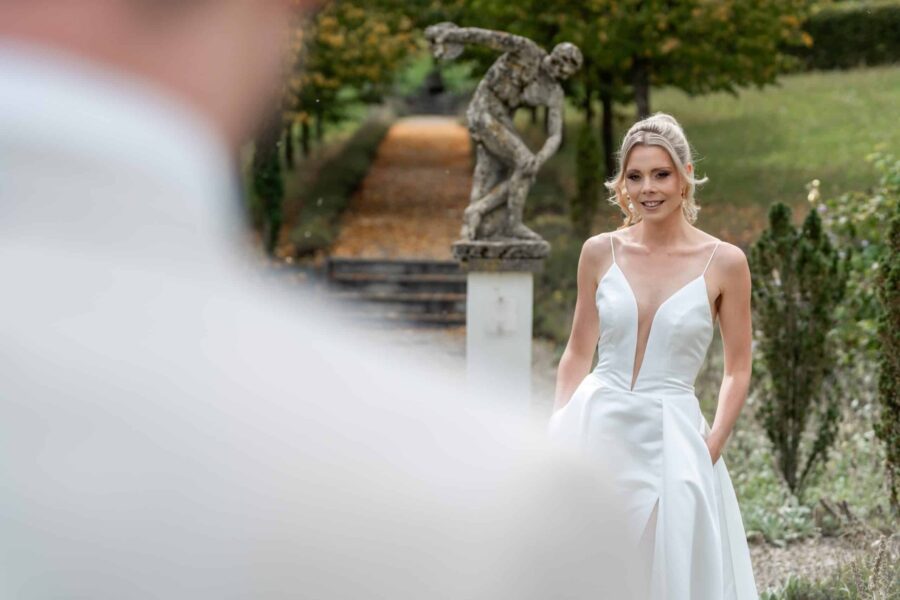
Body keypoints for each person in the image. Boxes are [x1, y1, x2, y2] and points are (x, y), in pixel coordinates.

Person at [0, 1, 636, 598]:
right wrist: (457, 40)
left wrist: (538, 150)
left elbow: (552, 126)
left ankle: (487, 209)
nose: (560, 68)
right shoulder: (505, 509)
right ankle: (484, 210)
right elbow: (489, 40)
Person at [547, 113, 760, 599]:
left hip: (673, 436)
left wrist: (711, 446)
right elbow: (577, 352)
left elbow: (738, 367)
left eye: (661, 174)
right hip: (595, 424)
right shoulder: (599, 252)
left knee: (658, 571)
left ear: (685, 176)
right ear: (622, 184)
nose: (648, 189)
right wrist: (557, 426)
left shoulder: (725, 262)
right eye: (635, 176)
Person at [424, 22, 582, 241]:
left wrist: (541, 158)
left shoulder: (553, 91)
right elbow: (486, 37)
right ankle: (508, 222)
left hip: (502, 119)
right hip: (483, 109)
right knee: (524, 163)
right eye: (560, 64)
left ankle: (475, 222)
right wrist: (453, 35)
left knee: (493, 173)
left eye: (565, 73)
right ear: (555, 56)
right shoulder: (526, 50)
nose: (559, 72)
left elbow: (555, 134)